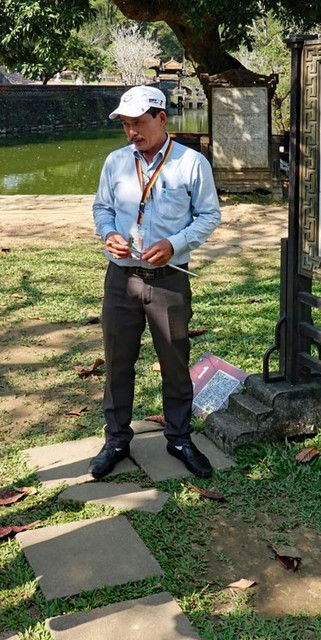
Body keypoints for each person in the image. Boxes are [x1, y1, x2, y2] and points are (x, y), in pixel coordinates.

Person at [90, 85, 222, 479]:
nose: (132, 132)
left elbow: (209, 215)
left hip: (169, 281)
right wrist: (108, 232)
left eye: (139, 123)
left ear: (162, 119)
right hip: (121, 276)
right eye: (126, 125)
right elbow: (102, 208)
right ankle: (116, 438)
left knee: (174, 362)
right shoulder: (115, 163)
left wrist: (174, 243)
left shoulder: (191, 163)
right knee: (117, 362)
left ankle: (180, 437)